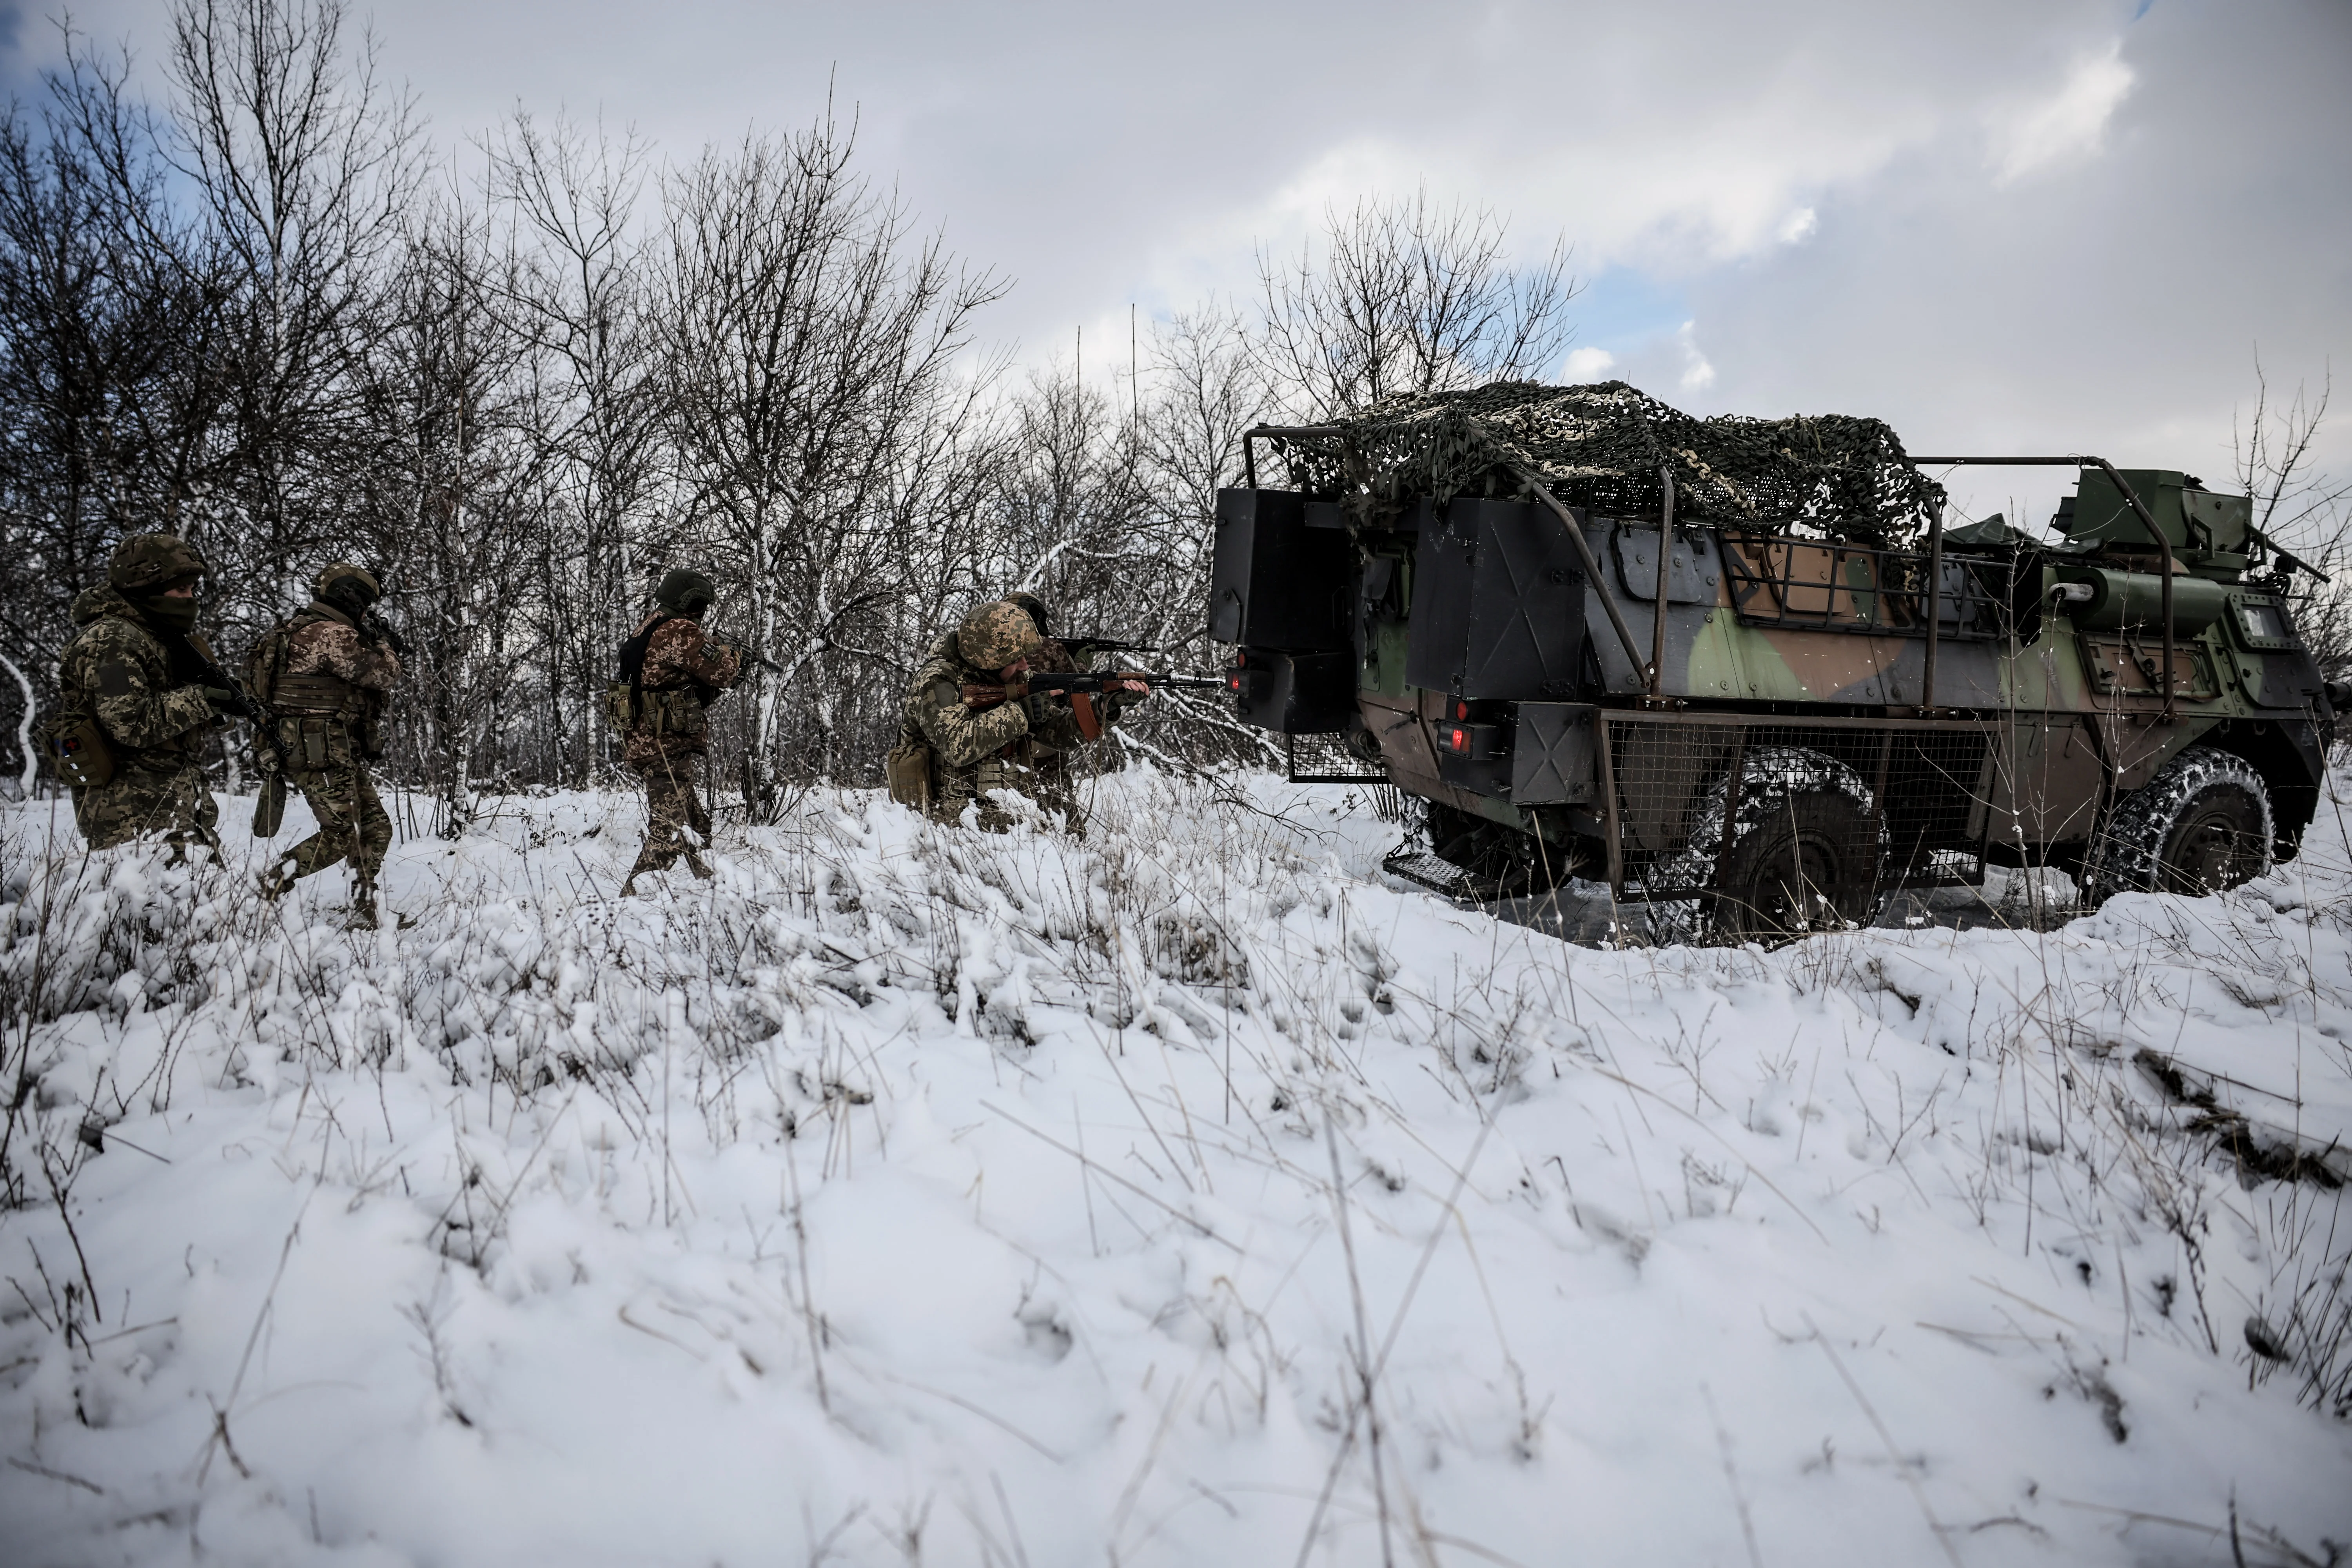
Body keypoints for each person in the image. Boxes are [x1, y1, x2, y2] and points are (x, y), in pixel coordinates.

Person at [890, 598, 1145, 831]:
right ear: (989, 659)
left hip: (1002, 816)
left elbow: (1058, 735)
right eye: (1016, 658)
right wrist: (1021, 712)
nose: (1025, 665)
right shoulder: (936, 680)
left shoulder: (1015, 676)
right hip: (939, 823)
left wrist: (1107, 707)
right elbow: (958, 745)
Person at [49, 532, 227, 859]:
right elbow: (128, 724)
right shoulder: (112, 639)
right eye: (182, 589)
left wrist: (219, 700)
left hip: (169, 805)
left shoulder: (159, 637)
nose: (190, 599)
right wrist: (203, 699)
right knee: (153, 908)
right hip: (132, 817)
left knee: (202, 906)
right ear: (147, 589)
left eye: (192, 589)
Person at [252, 563, 404, 926]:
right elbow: (382, 673)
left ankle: (365, 908)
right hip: (317, 752)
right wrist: (385, 645)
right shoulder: (328, 634)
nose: (366, 612)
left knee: (375, 826)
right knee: (340, 834)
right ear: (348, 596)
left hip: (330, 749)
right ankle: (270, 884)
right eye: (364, 603)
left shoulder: (296, 630)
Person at [615, 568, 742, 894]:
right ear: (691, 603)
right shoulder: (678, 631)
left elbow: (676, 682)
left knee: (695, 827)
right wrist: (733, 653)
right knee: (670, 832)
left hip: (652, 741)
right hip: (663, 745)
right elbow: (723, 672)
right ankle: (628, 907)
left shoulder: (651, 625)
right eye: (701, 606)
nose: (702, 614)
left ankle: (715, 895)